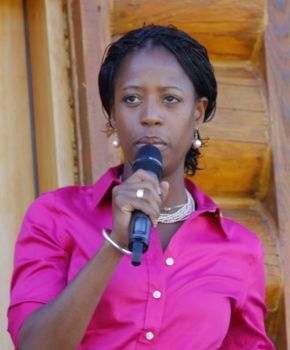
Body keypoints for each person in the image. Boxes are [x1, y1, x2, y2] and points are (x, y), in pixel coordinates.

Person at [8, 24, 275, 349]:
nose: (150, 116)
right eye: (131, 98)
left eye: (171, 99)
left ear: (198, 113)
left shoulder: (239, 249)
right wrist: (115, 245)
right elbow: (34, 345)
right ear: (112, 113)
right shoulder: (55, 216)